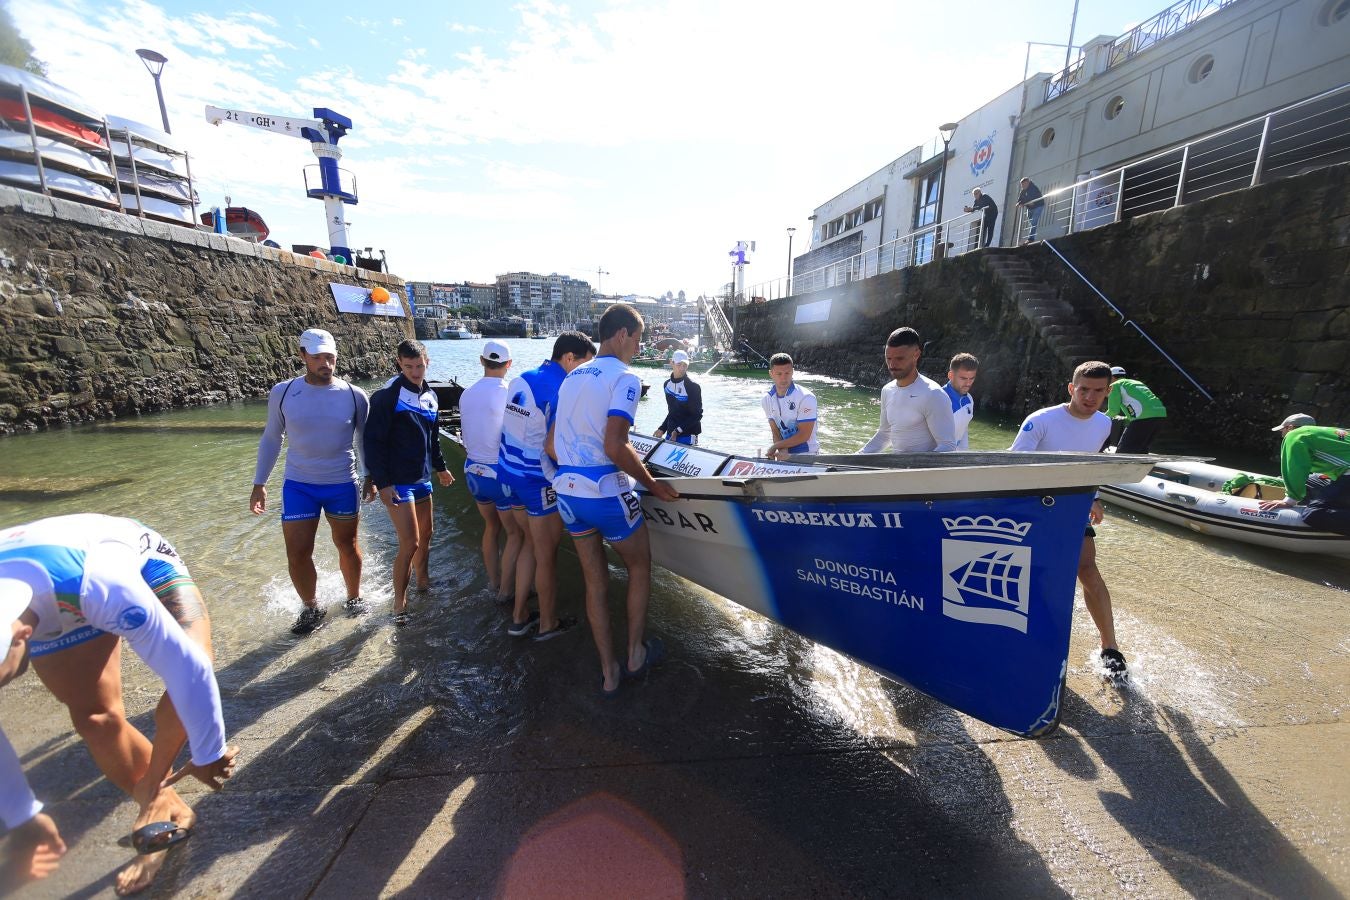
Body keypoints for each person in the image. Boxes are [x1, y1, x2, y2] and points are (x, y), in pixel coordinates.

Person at [0, 515, 238, 896]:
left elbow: (189, 671)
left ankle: (154, 801)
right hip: (50, 595)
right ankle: (169, 809)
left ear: (21, 637)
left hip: (120, 564)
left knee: (195, 662)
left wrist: (209, 750)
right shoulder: (16, 627)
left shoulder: (101, 586)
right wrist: (23, 815)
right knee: (95, 720)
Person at [548, 304, 680, 695]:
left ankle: (609, 674)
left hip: (567, 495)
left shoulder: (570, 378)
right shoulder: (625, 377)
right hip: (605, 493)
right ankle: (636, 654)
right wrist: (654, 485)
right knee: (640, 567)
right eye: (639, 339)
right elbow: (615, 444)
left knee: (596, 583)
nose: (639, 348)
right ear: (622, 334)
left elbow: (551, 445)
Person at [251, 328, 375, 635]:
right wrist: (259, 482)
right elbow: (271, 438)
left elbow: (364, 441)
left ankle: (354, 598)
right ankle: (310, 607)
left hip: (341, 483)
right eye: (318, 357)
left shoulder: (354, 395)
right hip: (299, 485)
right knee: (297, 552)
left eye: (330, 357)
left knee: (347, 545)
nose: (326, 364)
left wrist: (370, 475)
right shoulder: (283, 392)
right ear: (303, 356)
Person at [1010, 360, 1126, 679]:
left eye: (1098, 391)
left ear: (1107, 392)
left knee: (1087, 570)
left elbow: (1092, 466)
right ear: (1071, 389)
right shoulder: (1041, 421)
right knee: (1036, 578)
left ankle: (1110, 649)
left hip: (1074, 505)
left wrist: (1095, 497)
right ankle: (1029, 641)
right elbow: (1011, 468)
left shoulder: (1104, 424)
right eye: (1084, 390)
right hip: (1036, 509)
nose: (1089, 397)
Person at [498, 332, 596, 639]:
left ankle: (519, 616)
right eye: (584, 365)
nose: (585, 374)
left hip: (508, 474)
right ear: (569, 358)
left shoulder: (522, 377)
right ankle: (547, 623)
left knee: (528, 543)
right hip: (536, 482)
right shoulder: (560, 389)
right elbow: (554, 448)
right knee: (546, 556)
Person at [363, 339, 454, 625]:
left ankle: (423, 584)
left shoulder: (430, 395)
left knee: (426, 536)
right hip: (397, 481)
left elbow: (432, 438)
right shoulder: (387, 396)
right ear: (400, 364)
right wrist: (382, 482)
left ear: (428, 364)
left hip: (422, 478)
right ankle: (399, 605)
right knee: (410, 542)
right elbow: (372, 443)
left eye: (420, 366)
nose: (415, 371)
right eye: (409, 366)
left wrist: (441, 468)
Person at [458, 340, 525, 604]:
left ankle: (493, 582)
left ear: (481, 361)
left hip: (474, 472)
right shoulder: (509, 391)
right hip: (500, 473)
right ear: (509, 364)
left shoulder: (466, 393)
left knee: (490, 527)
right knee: (516, 534)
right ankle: (506, 592)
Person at [858, 327, 957, 453]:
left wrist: (913, 469)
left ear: (916, 354)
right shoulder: (887, 391)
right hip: (897, 469)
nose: (892, 365)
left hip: (919, 471)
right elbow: (884, 434)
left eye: (899, 359)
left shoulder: (934, 394)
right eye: (888, 359)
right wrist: (854, 458)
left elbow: (948, 447)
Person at [1259, 415, 1350, 536]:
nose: (1282, 433)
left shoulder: (1295, 435)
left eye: (1283, 429)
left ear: (1290, 427)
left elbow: (1296, 468)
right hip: (1344, 472)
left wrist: (1290, 500)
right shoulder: (1327, 433)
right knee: (1310, 481)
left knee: (1313, 514)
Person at [762, 353, 820, 460]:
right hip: (784, 453)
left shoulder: (806, 397)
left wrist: (776, 446)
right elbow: (775, 431)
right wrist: (783, 451)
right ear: (771, 374)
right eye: (779, 374)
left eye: (787, 373)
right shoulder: (766, 399)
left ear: (792, 372)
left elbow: (804, 435)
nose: (784, 378)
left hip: (807, 454)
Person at [1107, 366, 1167, 453]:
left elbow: (1113, 411)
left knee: (1124, 451)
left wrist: (1098, 419)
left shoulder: (1115, 385)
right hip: (1160, 415)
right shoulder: (1136, 383)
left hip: (1143, 417)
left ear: (1111, 377)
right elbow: (1138, 404)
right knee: (1141, 450)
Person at [652, 349, 703, 445]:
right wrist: (662, 428)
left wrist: (678, 431)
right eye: (679, 365)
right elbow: (672, 412)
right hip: (671, 434)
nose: (682, 368)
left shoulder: (693, 387)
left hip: (688, 436)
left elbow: (697, 415)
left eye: (685, 365)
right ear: (672, 363)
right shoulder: (667, 385)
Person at [942, 353, 979, 450]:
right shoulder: (939, 399)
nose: (968, 383)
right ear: (950, 375)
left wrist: (964, 458)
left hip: (954, 459)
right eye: (963, 378)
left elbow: (963, 432)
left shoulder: (969, 399)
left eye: (972, 378)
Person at [1016, 177, 1045, 243]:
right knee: (1031, 223)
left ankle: (1031, 239)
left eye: (1024, 184)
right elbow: (1020, 199)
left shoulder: (1033, 188)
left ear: (1028, 182)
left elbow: (1030, 200)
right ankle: (1031, 237)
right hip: (1030, 208)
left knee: (1034, 222)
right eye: (1022, 185)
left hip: (1038, 206)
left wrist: (1022, 202)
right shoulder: (1023, 190)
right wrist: (1019, 203)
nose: (1023, 186)